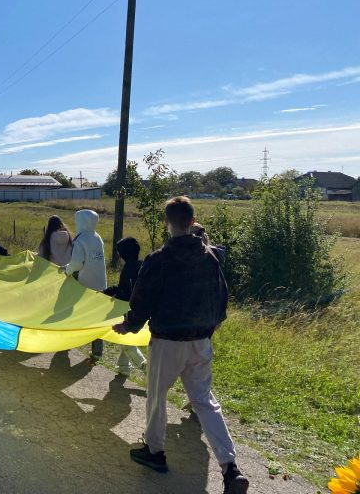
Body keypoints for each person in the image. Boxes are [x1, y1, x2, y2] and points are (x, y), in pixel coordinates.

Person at [113, 196, 249, 494]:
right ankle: (230, 467)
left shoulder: (158, 259)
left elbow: (143, 300)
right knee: (205, 402)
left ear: (167, 222)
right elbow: (221, 296)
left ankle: (155, 451)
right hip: (200, 340)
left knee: (157, 396)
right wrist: (213, 325)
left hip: (168, 342)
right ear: (192, 221)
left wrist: (129, 325)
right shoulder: (211, 257)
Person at [64, 209, 108, 360]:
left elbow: (77, 263)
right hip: (100, 284)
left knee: (71, 314)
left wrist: (67, 271)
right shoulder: (97, 237)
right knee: (96, 318)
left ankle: (67, 343)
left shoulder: (80, 239)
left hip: (83, 284)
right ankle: (97, 352)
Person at [102, 237, 147, 375]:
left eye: (119, 252)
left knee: (126, 342)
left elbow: (125, 291)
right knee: (127, 338)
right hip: (139, 308)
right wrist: (106, 292)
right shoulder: (142, 264)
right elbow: (123, 287)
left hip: (128, 309)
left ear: (124, 253)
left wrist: (113, 301)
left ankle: (145, 367)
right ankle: (123, 367)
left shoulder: (129, 267)